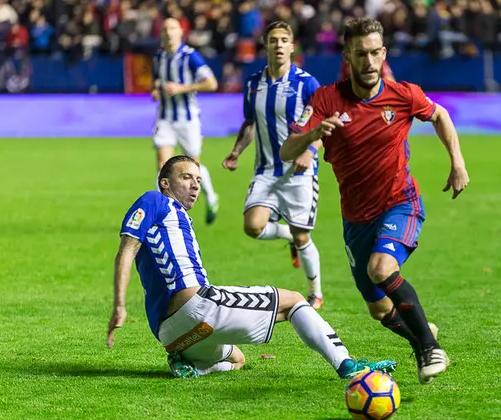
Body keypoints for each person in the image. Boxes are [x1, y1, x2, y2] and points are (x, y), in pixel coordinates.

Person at [281, 18, 470, 385]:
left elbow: (440, 115)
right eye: (360, 54)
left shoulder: (403, 95)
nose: (368, 61)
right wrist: (316, 133)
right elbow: (288, 148)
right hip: (356, 220)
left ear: (383, 54)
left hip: (401, 203)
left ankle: (429, 348)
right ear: (347, 56)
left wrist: (457, 163)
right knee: (380, 309)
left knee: (381, 270)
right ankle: (419, 328)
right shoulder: (325, 100)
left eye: (374, 53)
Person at [106, 155, 396, 380]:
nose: (195, 185)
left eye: (197, 179)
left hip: (173, 335)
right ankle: (347, 365)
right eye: (185, 178)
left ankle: (196, 367)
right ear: (165, 183)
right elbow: (125, 252)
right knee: (294, 301)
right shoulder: (155, 200)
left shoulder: (177, 217)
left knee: (237, 359)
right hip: (196, 306)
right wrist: (119, 305)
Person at [222, 22, 324, 309]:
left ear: (292, 47)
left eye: (284, 40)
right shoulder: (253, 84)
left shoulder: (307, 83)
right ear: (265, 46)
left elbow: (323, 127)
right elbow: (250, 122)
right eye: (273, 40)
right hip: (266, 170)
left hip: (299, 172)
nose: (278, 45)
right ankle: (289, 236)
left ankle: (315, 292)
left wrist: (310, 152)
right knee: (253, 227)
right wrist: (236, 151)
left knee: (303, 234)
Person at [151, 18, 220, 225]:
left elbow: (212, 83)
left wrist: (182, 88)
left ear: (180, 32)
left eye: (172, 28)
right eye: (165, 29)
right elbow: (157, 80)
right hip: (165, 118)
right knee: (163, 165)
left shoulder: (191, 57)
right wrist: (156, 90)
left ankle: (211, 197)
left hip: (188, 119)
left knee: (193, 167)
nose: (168, 32)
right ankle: (163, 215)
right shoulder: (159, 57)